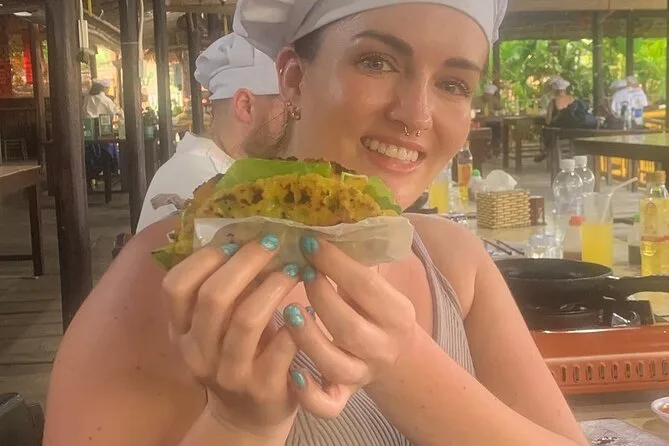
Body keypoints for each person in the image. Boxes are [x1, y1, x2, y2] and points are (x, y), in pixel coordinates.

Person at [44, 1, 589, 445]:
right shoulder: (168, 280)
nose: (416, 114)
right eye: (377, 62)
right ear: (294, 77)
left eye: (454, 84)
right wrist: (240, 427)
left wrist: (404, 366)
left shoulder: (455, 261)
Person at [136, 32, 286, 232]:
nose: (297, 119)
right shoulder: (199, 181)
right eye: (289, 108)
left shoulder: (226, 169)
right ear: (245, 106)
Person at [82, 79, 123, 186]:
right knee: (108, 151)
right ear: (104, 88)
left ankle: (92, 179)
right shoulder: (104, 99)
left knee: (91, 154)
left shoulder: (87, 98)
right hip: (103, 132)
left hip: (88, 132)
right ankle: (112, 170)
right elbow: (116, 111)